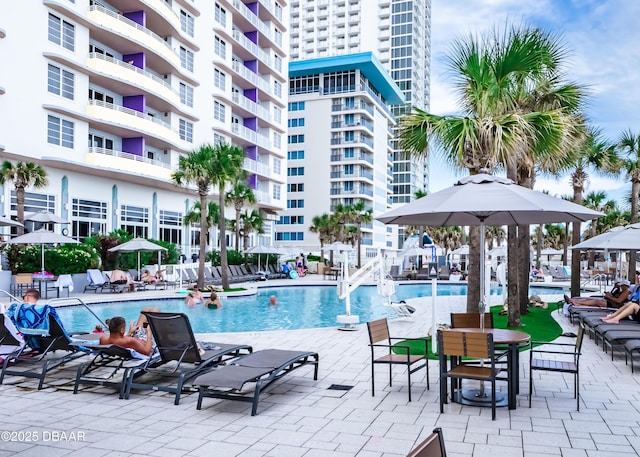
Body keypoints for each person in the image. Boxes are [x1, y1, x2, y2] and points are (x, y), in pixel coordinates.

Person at [566, 280, 631, 309]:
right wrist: (609, 296)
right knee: (593, 300)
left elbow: (618, 301)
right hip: (612, 303)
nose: (620, 287)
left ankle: (576, 303)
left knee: (596, 301)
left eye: (621, 286)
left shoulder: (626, 292)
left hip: (615, 305)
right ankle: (575, 302)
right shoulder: (622, 291)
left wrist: (609, 297)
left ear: (625, 285)